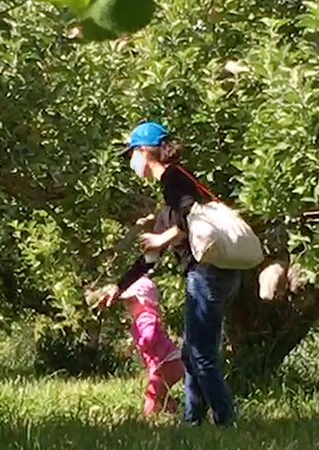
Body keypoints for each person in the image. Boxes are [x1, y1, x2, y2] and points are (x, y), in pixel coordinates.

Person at [98, 121, 241, 427]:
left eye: (130, 156)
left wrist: (162, 238)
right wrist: (119, 286)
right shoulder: (169, 199)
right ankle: (193, 421)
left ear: (142, 152)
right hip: (215, 274)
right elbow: (151, 258)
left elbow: (189, 217)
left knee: (200, 355)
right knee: (192, 353)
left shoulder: (174, 179)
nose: (131, 164)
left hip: (207, 274)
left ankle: (228, 422)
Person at [117, 275, 184, 416]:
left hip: (166, 362)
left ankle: (148, 418)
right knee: (161, 392)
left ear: (144, 301)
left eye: (131, 301)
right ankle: (173, 412)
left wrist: (140, 344)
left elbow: (149, 336)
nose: (127, 306)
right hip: (170, 361)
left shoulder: (146, 316)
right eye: (126, 302)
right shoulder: (142, 318)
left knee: (153, 392)